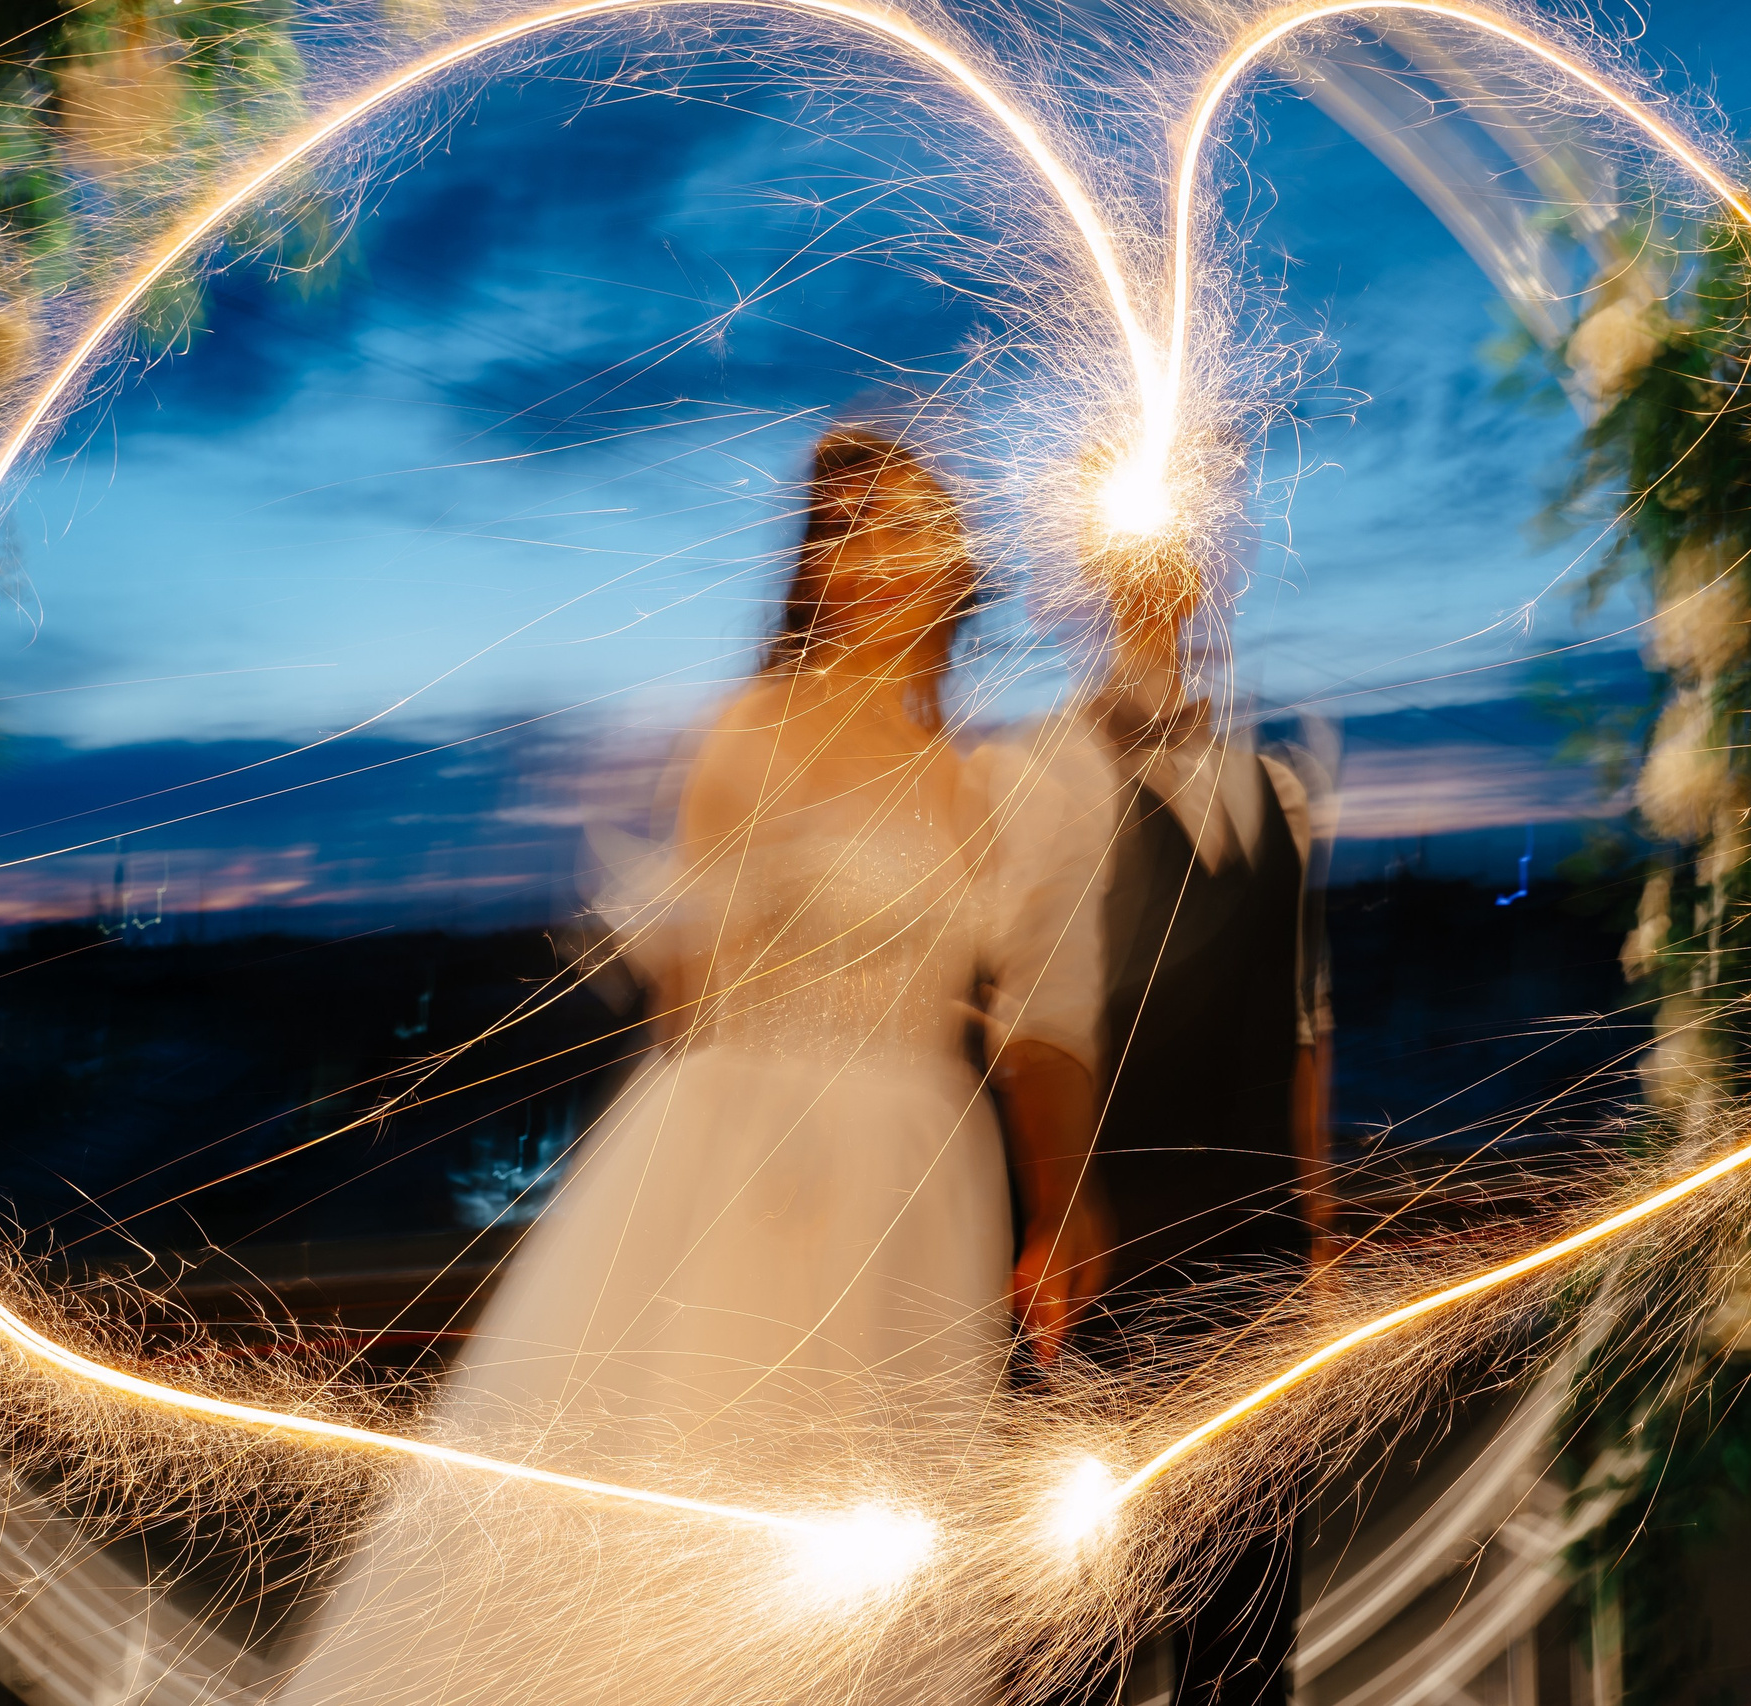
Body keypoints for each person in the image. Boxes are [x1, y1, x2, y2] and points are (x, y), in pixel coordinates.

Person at [276, 427, 1105, 1706]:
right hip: (764, 1158)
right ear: (815, 571)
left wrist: (1057, 1205)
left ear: (955, 566)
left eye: (908, 528)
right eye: (852, 532)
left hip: (929, 1176)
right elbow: (693, 1003)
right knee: (726, 1482)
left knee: (886, 1527)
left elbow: (1015, 1011)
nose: (882, 557)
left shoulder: (984, 778)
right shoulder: (752, 732)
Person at [1013, 541, 1336, 1706]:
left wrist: (1317, 1230)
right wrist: (1057, 1209)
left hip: (1255, 1261)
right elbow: (1033, 1025)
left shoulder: (1282, 787)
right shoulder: (1052, 770)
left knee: (1248, 1632)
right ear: (1093, 577)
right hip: (1113, 1267)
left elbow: (1302, 1022)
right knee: (1079, 1634)